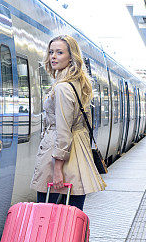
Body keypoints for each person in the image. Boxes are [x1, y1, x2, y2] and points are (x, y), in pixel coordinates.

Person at [30, 35, 105, 210]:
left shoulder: (62, 87)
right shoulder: (77, 83)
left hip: (60, 161)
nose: (53, 57)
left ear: (71, 56)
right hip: (77, 155)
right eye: (51, 52)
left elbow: (63, 130)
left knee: (47, 218)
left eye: (59, 52)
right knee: (70, 219)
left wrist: (57, 170)